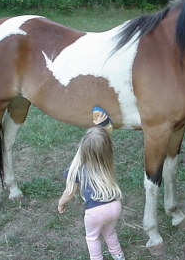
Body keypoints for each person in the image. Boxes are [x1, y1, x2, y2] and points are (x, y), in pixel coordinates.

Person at [58, 109, 125, 260]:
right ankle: (118, 255)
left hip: (95, 212)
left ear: (83, 147)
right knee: (110, 232)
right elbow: (103, 140)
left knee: (92, 238)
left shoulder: (77, 169)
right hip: (115, 206)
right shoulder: (106, 162)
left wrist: (61, 203)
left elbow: (69, 193)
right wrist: (101, 126)